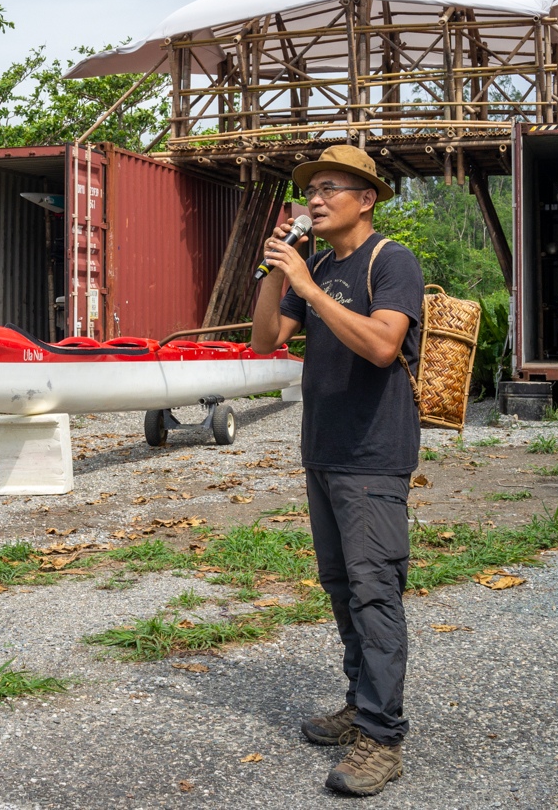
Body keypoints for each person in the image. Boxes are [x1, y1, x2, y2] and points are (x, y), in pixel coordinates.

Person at [250, 144, 423, 798]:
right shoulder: (316, 263)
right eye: (310, 190)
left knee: (375, 592)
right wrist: (278, 270)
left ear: (366, 199)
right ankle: (359, 703)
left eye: (330, 188)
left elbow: (382, 345)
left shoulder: (391, 260)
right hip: (323, 452)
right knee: (342, 587)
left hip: (373, 456)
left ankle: (382, 737)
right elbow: (266, 339)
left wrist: (308, 287)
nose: (315, 200)